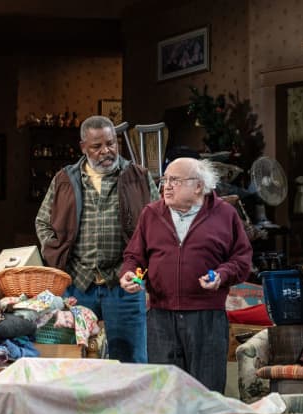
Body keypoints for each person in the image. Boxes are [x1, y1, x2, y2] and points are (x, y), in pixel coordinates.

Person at [119, 157, 252, 392]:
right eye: (165, 180)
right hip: (161, 316)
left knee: (206, 392)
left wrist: (221, 275)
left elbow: (242, 260)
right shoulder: (151, 213)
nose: (166, 186)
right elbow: (134, 256)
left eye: (175, 181)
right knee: (164, 393)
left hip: (207, 317)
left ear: (198, 186)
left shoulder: (225, 214)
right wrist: (130, 274)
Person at [35, 115, 159, 363]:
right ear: (83, 147)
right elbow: (42, 222)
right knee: (74, 360)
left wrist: (144, 273)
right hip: (78, 284)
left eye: (111, 143)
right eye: (97, 146)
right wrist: (56, 255)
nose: (106, 151)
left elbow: (158, 226)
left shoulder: (139, 177)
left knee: (131, 362)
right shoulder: (64, 180)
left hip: (124, 284)